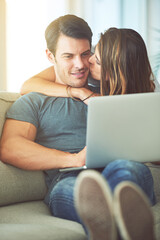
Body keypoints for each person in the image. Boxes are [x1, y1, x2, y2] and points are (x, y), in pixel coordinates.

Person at [0, 15, 158, 240]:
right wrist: (74, 159)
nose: (80, 64)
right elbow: (11, 147)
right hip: (70, 179)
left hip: (117, 170)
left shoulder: (110, 88)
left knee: (133, 170)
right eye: (68, 56)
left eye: (86, 54)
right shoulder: (34, 100)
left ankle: (112, 224)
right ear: (50, 56)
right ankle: (120, 225)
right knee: (75, 191)